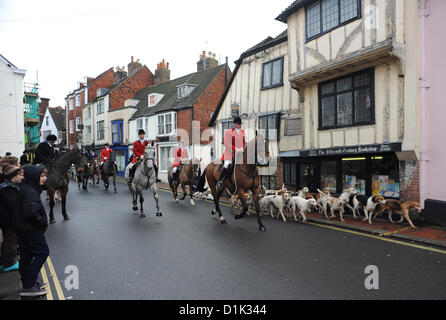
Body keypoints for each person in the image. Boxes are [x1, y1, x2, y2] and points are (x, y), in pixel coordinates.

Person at [12, 166, 49, 297]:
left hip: (24, 229)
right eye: (42, 176)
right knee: (43, 253)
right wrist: (42, 222)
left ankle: (28, 282)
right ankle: (28, 285)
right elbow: (30, 213)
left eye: (45, 176)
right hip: (31, 230)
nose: (45, 178)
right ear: (34, 176)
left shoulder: (28, 189)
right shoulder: (30, 192)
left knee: (26, 256)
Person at [0, 164, 24, 273]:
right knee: (11, 240)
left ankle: (4, 262)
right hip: (9, 221)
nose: (22, 177)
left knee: (8, 240)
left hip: (6, 220)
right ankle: (9, 263)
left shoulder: (6, 186)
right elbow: (14, 206)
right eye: (20, 175)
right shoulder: (9, 188)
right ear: (13, 176)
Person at [216, 117, 246, 190]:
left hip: (239, 153)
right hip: (229, 153)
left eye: (240, 124)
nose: (240, 125)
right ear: (235, 124)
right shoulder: (229, 132)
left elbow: (243, 142)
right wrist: (235, 148)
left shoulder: (242, 132)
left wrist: (242, 147)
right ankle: (220, 181)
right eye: (239, 124)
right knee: (226, 165)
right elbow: (226, 143)